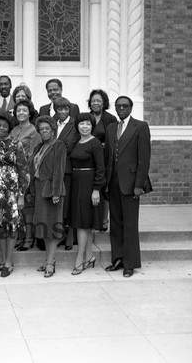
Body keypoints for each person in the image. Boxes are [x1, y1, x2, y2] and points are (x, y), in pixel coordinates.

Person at [104, 96, 151, 278]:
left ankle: (130, 263)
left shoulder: (140, 126)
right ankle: (118, 259)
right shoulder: (110, 128)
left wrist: (139, 185)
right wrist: (105, 184)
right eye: (118, 106)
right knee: (115, 224)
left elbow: (144, 158)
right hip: (113, 183)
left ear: (131, 108)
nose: (121, 108)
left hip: (131, 184)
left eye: (125, 106)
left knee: (130, 225)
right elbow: (109, 156)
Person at [0, 113, 29, 277]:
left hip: (11, 191)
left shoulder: (16, 144)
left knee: (11, 226)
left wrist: (21, 195)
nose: (1, 128)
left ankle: (9, 262)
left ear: (9, 128)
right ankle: (3, 260)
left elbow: (24, 170)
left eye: (5, 126)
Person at [29, 116, 67, 277]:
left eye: (47, 129)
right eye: (41, 129)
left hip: (52, 191)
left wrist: (56, 192)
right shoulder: (39, 146)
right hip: (39, 189)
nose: (44, 131)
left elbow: (59, 169)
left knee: (52, 227)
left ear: (53, 130)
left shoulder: (58, 145)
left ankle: (51, 262)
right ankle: (47, 260)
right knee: (44, 227)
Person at [69, 113, 105, 275]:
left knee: (83, 222)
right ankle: (89, 256)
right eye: (82, 124)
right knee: (84, 221)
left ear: (92, 126)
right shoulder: (77, 142)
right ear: (77, 126)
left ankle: (80, 258)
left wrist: (96, 189)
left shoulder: (95, 143)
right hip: (77, 184)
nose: (84, 127)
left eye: (88, 124)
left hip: (89, 185)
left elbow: (101, 168)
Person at [10, 99, 41, 251]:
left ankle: (29, 237)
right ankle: (21, 236)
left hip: (27, 172)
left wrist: (25, 174)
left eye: (24, 110)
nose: (21, 113)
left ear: (30, 113)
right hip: (12, 173)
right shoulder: (13, 130)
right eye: (18, 111)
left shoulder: (33, 131)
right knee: (17, 207)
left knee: (27, 206)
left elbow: (34, 155)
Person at [88, 89, 117, 231]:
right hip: (88, 158)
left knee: (103, 189)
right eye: (93, 100)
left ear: (104, 102)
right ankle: (92, 220)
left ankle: (104, 221)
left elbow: (114, 140)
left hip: (105, 159)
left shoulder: (110, 119)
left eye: (98, 100)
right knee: (91, 189)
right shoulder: (86, 118)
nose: (95, 103)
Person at [54, 97, 80, 250]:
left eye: (65, 109)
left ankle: (69, 235)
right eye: (60, 109)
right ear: (56, 110)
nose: (63, 112)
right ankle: (59, 233)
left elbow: (70, 146)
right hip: (53, 168)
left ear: (69, 109)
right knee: (57, 202)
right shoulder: (53, 123)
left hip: (68, 169)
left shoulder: (74, 124)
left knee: (68, 202)